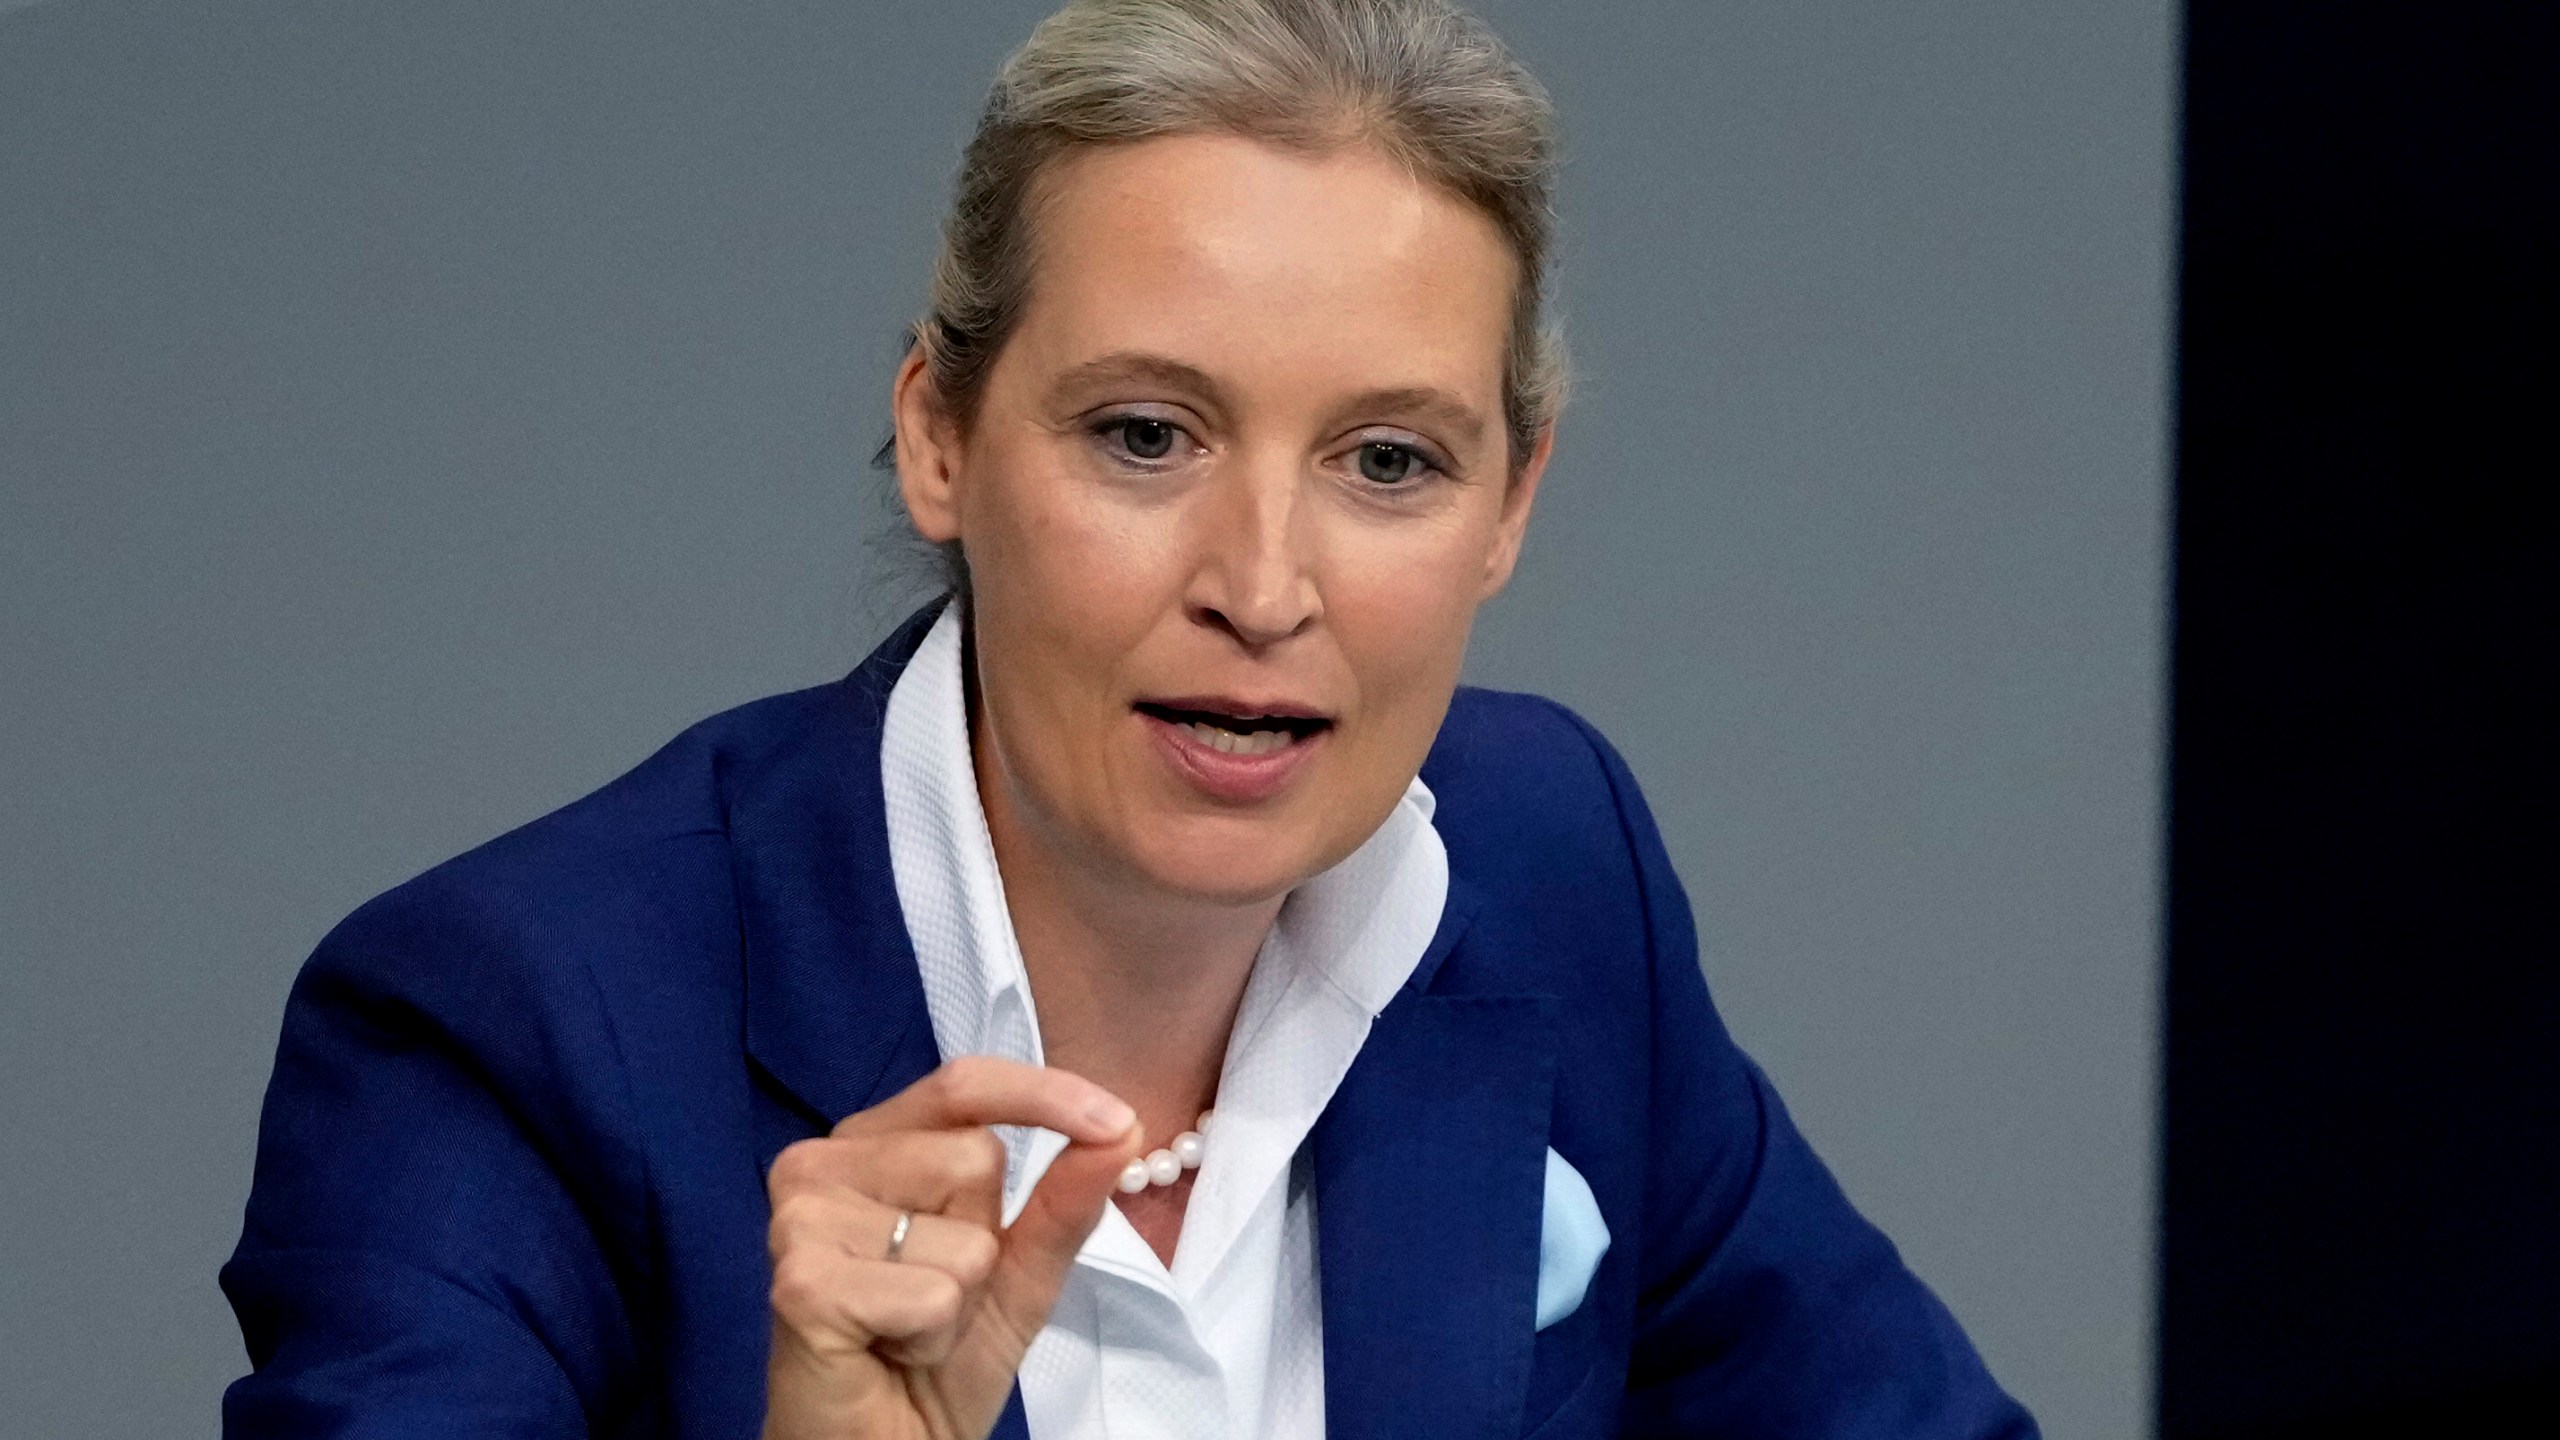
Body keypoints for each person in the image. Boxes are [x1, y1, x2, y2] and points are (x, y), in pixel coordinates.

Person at [222, 1, 2036, 1436]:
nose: (1263, 582)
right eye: (1144, 435)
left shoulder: (1557, 868)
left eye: (1388, 461)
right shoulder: (505, 1031)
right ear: (940, 434)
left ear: (1514, 505)